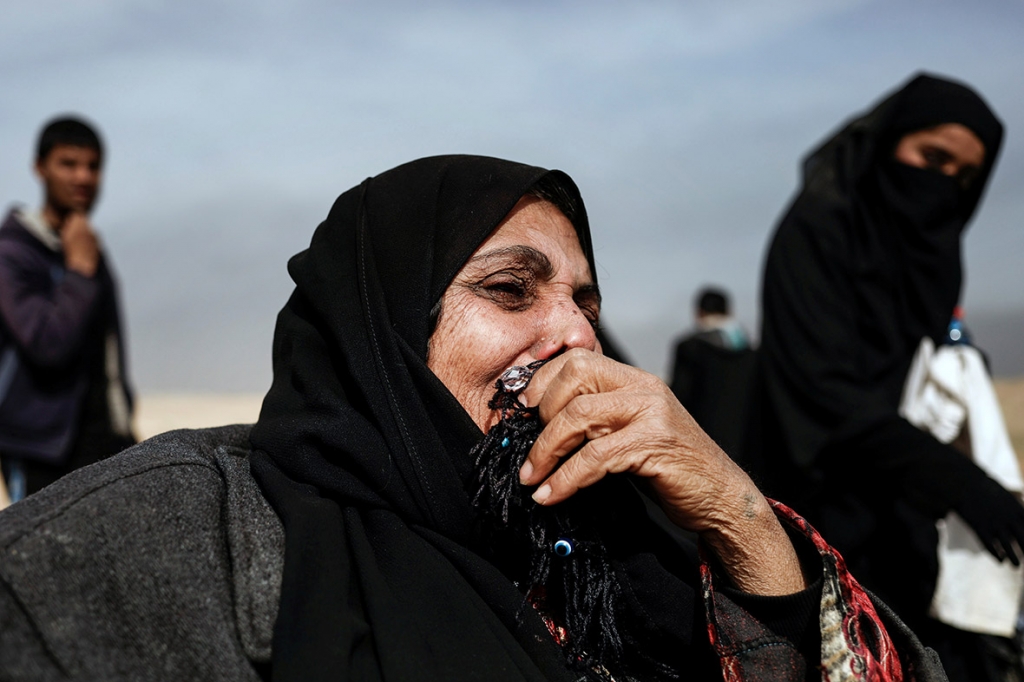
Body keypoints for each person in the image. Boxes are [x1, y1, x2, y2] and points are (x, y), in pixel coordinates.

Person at [0, 155, 944, 681]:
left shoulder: (630, 550)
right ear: (385, 332)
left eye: (587, 302)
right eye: (510, 290)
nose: (576, 335)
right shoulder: (151, 546)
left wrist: (740, 521)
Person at [757, 73, 1023, 681]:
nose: (944, 184)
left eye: (964, 176)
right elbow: (822, 393)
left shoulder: (931, 254)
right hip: (816, 504)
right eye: (932, 158)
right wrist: (956, 479)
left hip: (902, 510)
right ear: (886, 146)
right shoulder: (817, 231)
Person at [0, 116, 135, 503]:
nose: (83, 177)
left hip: (105, 442)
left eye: (93, 166)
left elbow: (107, 354)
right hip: (39, 446)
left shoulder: (87, 247)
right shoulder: (14, 252)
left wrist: (123, 422)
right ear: (39, 167)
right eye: (68, 163)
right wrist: (77, 272)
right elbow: (46, 343)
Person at [668, 287, 755, 458]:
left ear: (699, 313)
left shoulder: (689, 348)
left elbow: (678, 400)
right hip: (747, 447)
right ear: (729, 312)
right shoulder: (751, 353)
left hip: (705, 448)